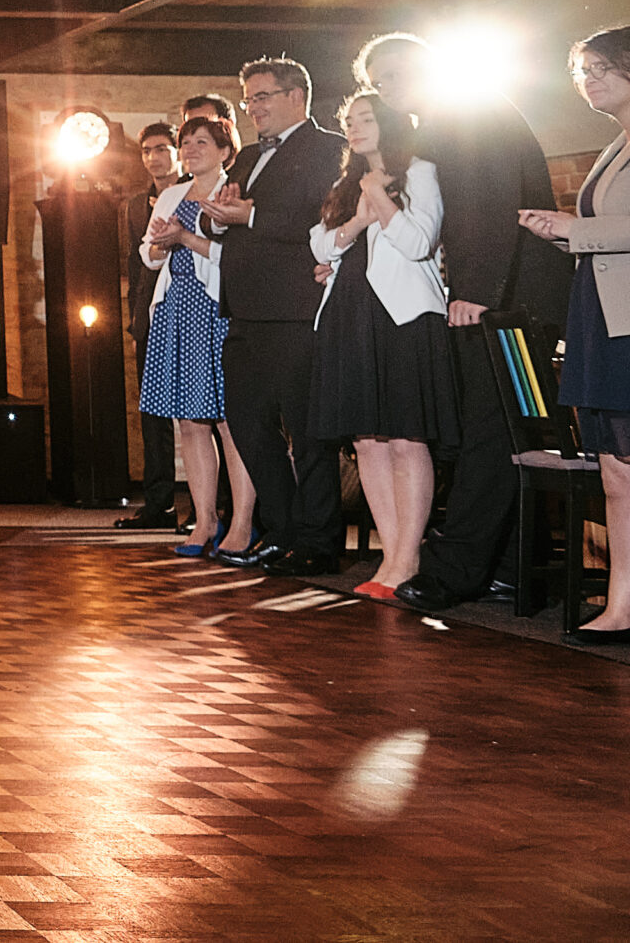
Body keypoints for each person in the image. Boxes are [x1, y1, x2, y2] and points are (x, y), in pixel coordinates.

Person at [356, 32, 573, 613]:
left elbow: (490, 204)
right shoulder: (444, 121)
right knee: (507, 430)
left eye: (395, 74)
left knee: (492, 428)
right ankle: (509, 567)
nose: (387, 88)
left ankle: (457, 570)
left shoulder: (467, 111)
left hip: (515, 301)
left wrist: (476, 291)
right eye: (378, 82)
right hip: (510, 296)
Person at [197, 56, 348, 578]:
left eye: (261, 97)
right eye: (248, 100)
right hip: (243, 311)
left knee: (307, 434)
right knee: (247, 425)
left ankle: (319, 541)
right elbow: (221, 217)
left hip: (295, 308)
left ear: (295, 96)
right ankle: (283, 531)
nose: (252, 108)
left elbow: (323, 214)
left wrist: (252, 214)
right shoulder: (246, 157)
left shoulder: (329, 148)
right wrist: (219, 218)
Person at [307, 92, 455, 597]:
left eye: (366, 118)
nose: (354, 127)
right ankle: (390, 559)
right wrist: (359, 219)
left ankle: (408, 558)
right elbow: (320, 244)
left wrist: (381, 197)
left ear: (390, 122)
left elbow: (419, 243)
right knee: (367, 442)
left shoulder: (420, 172)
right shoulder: (344, 185)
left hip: (403, 316)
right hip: (348, 313)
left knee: (406, 437)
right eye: (349, 121)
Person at [519, 26, 630, 642]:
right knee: (615, 470)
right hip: (601, 313)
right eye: (582, 71)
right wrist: (560, 233)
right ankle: (621, 605)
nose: (589, 80)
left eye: (600, 68)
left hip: (627, 319)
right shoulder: (615, 144)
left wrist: (575, 230)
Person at [141, 115, 257, 560]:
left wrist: (184, 237)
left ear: (226, 151)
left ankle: (242, 521)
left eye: (201, 142)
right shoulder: (173, 193)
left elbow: (237, 257)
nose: (190, 149)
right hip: (177, 307)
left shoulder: (233, 192)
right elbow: (149, 254)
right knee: (190, 423)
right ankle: (205, 519)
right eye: (186, 142)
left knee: (229, 421)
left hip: (218, 309)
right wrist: (162, 243)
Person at [118, 121, 186, 532]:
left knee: (206, 415)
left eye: (162, 148)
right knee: (153, 412)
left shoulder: (194, 193)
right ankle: (159, 504)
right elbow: (135, 265)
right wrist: (136, 320)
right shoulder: (134, 206)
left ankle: (218, 505)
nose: (154, 157)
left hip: (191, 307)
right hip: (150, 314)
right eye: (147, 151)